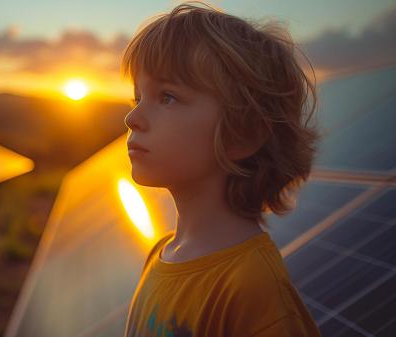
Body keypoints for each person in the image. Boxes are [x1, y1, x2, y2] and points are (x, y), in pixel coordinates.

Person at [122, 1, 323, 336]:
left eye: (167, 97)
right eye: (137, 98)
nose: (132, 119)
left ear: (242, 134)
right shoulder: (160, 254)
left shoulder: (253, 288)